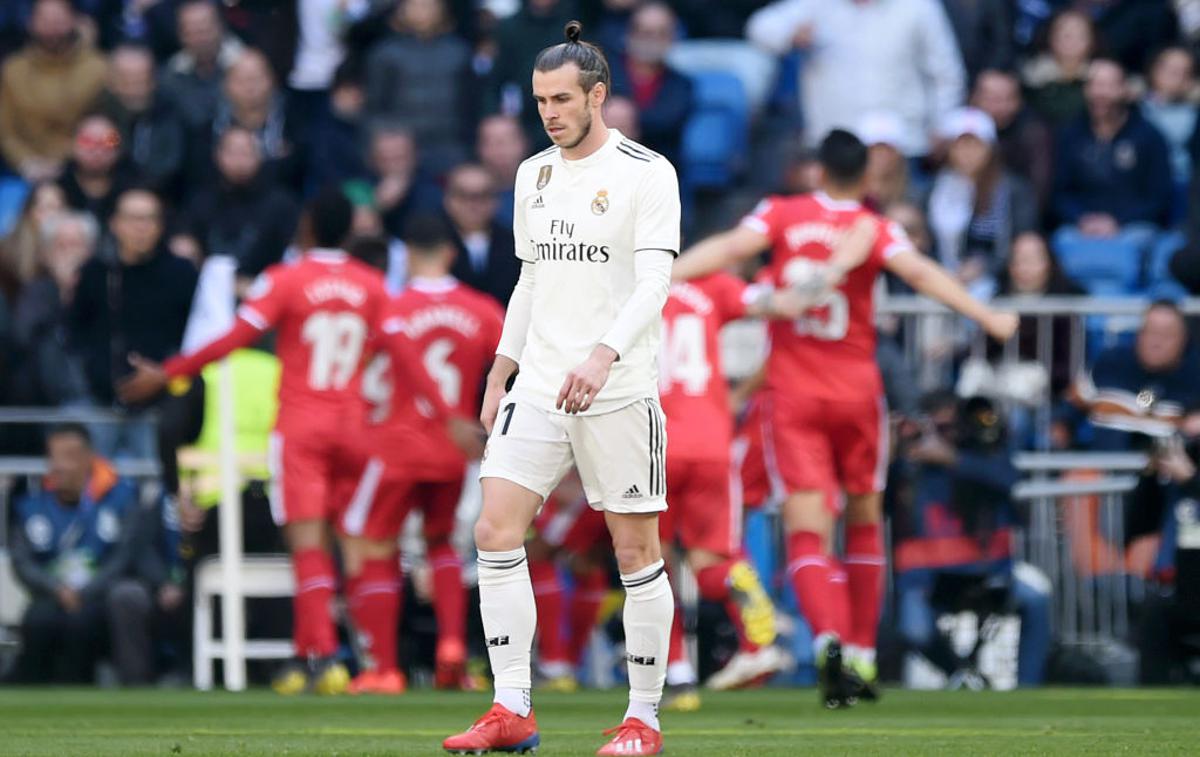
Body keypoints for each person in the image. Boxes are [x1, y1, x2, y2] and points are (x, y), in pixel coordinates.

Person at [671, 128, 1018, 707]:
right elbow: (923, 274)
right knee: (863, 517)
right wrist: (987, 316)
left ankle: (827, 637)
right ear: (867, 177)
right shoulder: (875, 228)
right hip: (858, 391)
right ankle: (860, 652)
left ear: (816, 171)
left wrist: (668, 273)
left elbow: (732, 247)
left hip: (793, 396)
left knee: (808, 529)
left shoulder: (780, 214)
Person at [442, 22, 680, 756]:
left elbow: (656, 280)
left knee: (635, 550)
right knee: (493, 529)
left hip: (617, 387)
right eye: (541, 99)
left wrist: (605, 354)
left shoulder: (647, 172)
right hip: (541, 382)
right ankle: (511, 703)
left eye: (562, 99)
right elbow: (532, 278)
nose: (549, 113)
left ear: (597, 95)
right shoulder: (532, 174)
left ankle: (643, 719)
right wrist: (500, 368)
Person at [118, 188, 387, 696]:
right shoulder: (372, 285)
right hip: (356, 426)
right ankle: (373, 663)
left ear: (307, 227)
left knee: (306, 545)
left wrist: (169, 372)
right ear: (349, 231)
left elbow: (233, 337)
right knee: (354, 546)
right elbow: (388, 351)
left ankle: (323, 657)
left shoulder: (285, 279)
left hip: (304, 426)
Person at [341, 214, 497, 694]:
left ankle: (384, 668)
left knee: (374, 545)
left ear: (407, 253)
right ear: (451, 252)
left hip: (395, 447)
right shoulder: (484, 310)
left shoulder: (391, 308)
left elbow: (360, 372)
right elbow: (516, 365)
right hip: (454, 451)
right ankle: (452, 647)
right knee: (442, 544)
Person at [657, 272, 809, 701]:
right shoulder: (712, 285)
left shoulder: (621, 284)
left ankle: (678, 673)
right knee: (711, 561)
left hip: (652, 442)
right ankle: (748, 604)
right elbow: (782, 306)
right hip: (711, 439)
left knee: (652, 564)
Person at [891, 393, 1051, 688]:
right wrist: (894, 449)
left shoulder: (983, 455)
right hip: (930, 580)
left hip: (990, 574)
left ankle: (1029, 690)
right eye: (939, 427)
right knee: (913, 626)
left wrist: (954, 459)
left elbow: (1010, 478)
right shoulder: (909, 465)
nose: (947, 433)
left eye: (953, 425)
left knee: (1036, 598)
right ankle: (960, 674)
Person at [10, 424, 154, 684]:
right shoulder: (31, 506)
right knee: (37, 619)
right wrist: (56, 589)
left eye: (69, 457)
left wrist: (85, 592)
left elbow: (123, 557)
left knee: (83, 623)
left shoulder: (121, 500)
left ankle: (82, 691)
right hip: (51, 595)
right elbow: (22, 562)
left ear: (89, 458)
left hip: (97, 597)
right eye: (54, 457)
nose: (60, 465)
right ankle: (28, 693)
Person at [70, 188, 197, 461]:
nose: (141, 227)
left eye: (150, 219)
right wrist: (95, 375)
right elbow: (74, 334)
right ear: (115, 223)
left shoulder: (182, 274)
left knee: (158, 488)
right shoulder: (94, 273)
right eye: (133, 219)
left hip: (163, 404)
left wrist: (165, 372)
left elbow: (196, 338)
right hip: (100, 402)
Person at [746, 0, 965, 159]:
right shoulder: (816, 5)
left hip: (901, 147)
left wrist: (941, 126)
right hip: (833, 145)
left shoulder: (919, 6)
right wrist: (791, 34)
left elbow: (946, 73)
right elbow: (759, 28)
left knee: (900, 220)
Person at [1052, 59, 1172, 243]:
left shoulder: (1149, 136)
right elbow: (1059, 192)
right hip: (1080, 226)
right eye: (1095, 85)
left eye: (1109, 85)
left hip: (1133, 226)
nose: (1101, 93)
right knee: (1061, 241)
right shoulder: (1070, 134)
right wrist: (1081, 218)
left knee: (1139, 242)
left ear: (1125, 89)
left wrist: (1118, 221)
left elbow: (1159, 196)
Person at [926, 107, 1037, 298]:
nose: (968, 153)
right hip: (940, 281)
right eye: (960, 145)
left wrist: (984, 266)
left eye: (975, 145)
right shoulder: (935, 188)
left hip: (997, 287)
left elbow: (1019, 239)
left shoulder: (1012, 189)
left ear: (990, 149)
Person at [0, 0, 108, 182]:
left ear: (74, 21)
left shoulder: (100, 68)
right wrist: (26, 163)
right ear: (30, 23)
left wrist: (82, 158)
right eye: (44, 20)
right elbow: (5, 131)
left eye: (59, 20)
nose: (52, 29)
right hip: (22, 172)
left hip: (86, 171)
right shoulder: (12, 70)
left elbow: (111, 132)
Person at [364, 0, 476, 176]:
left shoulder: (459, 52)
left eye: (429, 4)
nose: (422, 10)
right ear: (401, 10)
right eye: (415, 4)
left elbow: (470, 107)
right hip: (401, 151)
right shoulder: (385, 54)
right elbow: (375, 108)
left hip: (451, 146)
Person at [178, 126, 300, 282]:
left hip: (265, 287)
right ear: (218, 155)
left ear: (259, 157)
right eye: (232, 153)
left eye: (246, 153)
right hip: (209, 288)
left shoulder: (282, 204)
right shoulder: (200, 200)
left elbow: (292, 253)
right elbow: (185, 240)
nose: (239, 161)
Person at [93, 44, 187, 199]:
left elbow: (170, 163)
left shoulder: (168, 114)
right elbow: (108, 148)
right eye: (126, 81)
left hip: (164, 197)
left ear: (153, 81)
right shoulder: (104, 116)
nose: (134, 90)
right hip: (111, 198)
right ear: (111, 82)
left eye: (141, 80)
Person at [608, 2, 694, 166]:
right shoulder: (604, 72)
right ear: (629, 33)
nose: (652, 40)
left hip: (655, 168)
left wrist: (624, 117)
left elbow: (666, 123)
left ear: (673, 37)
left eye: (661, 33)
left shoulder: (682, 84)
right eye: (645, 32)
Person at [970, 69, 1054, 217]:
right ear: (975, 99)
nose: (1000, 107)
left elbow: (1039, 189)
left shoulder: (1033, 133)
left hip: (1018, 216)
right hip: (967, 214)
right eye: (991, 99)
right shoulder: (962, 129)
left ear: (1019, 101)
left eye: (1007, 99)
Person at [161, 0, 245, 130]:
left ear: (221, 26)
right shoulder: (172, 74)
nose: (200, 39)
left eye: (204, 30)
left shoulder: (244, 64)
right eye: (191, 32)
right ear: (180, 35)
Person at [444, 163, 520, 306]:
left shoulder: (515, 245)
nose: (473, 204)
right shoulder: (434, 243)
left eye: (483, 196)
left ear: (496, 200)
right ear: (448, 199)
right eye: (463, 195)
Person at [1020, 9, 1095, 128]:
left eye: (1080, 36)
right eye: (1066, 35)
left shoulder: (1103, 79)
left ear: (1092, 41)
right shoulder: (1030, 80)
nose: (1073, 42)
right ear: (1051, 38)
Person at [1140, 46, 1199, 195]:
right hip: (1137, 183)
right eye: (1169, 69)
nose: (1175, 77)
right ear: (1153, 70)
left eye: (1183, 72)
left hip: (1179, 184)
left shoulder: (1194, 114)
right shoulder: (1133, 107)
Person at [57, 114, 135, 225]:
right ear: (72, 144)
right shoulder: (56, 184)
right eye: (87, 141)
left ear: (119, 147)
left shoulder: (134, 185)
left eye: (108, 142)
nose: (98, 150)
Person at [0, 181, 67, 290]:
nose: (55, 215)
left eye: (60, 208)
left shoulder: (73, 245)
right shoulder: (6, 250)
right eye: (48, 208)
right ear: (30, 212)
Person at [476, 113, 528, 228]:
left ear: (524, 144)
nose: (500, 149)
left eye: (508, 140)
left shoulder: (548, 192)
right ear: (479, 148)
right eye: (491, 141)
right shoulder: (468, 197)